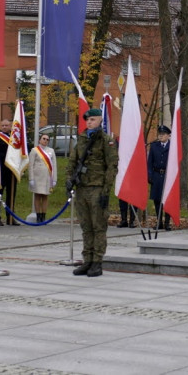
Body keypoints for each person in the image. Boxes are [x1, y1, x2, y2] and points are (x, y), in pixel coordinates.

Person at [67, 108, 118, 277]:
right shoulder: (81, 139)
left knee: (98, 227)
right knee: (86, 227)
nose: (89, 122)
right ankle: (87, 259)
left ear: (99, 121)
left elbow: (112, 167)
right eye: (87, 120)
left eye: (92, 120)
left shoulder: (106, 140)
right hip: (82, 188)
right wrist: (69, 179)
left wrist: (105, 191)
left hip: (97, 188)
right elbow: (73, 160)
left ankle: (97, 262)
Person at [147, 125, 173, 230]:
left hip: (167, 176)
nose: (161, 136)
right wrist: (150, 176)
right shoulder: (154, 146)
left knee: (167, 200)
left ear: (168, 136)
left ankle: (167, 222)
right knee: (157, 200)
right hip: (157, 175)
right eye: (160, 134)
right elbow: (150, 163)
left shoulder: (172, 147)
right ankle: (159, 222)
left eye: (163, 134)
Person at [28, 133, 58, 223]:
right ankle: (38, 216)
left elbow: (54, 165)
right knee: (37, 196)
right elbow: (30, 165)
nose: (45, 140)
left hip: (47, 178)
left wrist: (54, 179)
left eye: (47, 139)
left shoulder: (51, 151)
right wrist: (31, 178)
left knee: (45, 196)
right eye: (44, 138)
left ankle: (43, 216)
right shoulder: (34, 150)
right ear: (40, 140)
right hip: (37, 177)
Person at [0, 119, 19, 225]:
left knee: (11, 195)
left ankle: (10, 217)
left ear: (10, 127)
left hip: (12, 170)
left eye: (6, 125)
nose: (4, 127)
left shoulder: (14, 138)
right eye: (2, 125)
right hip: (1, 170)